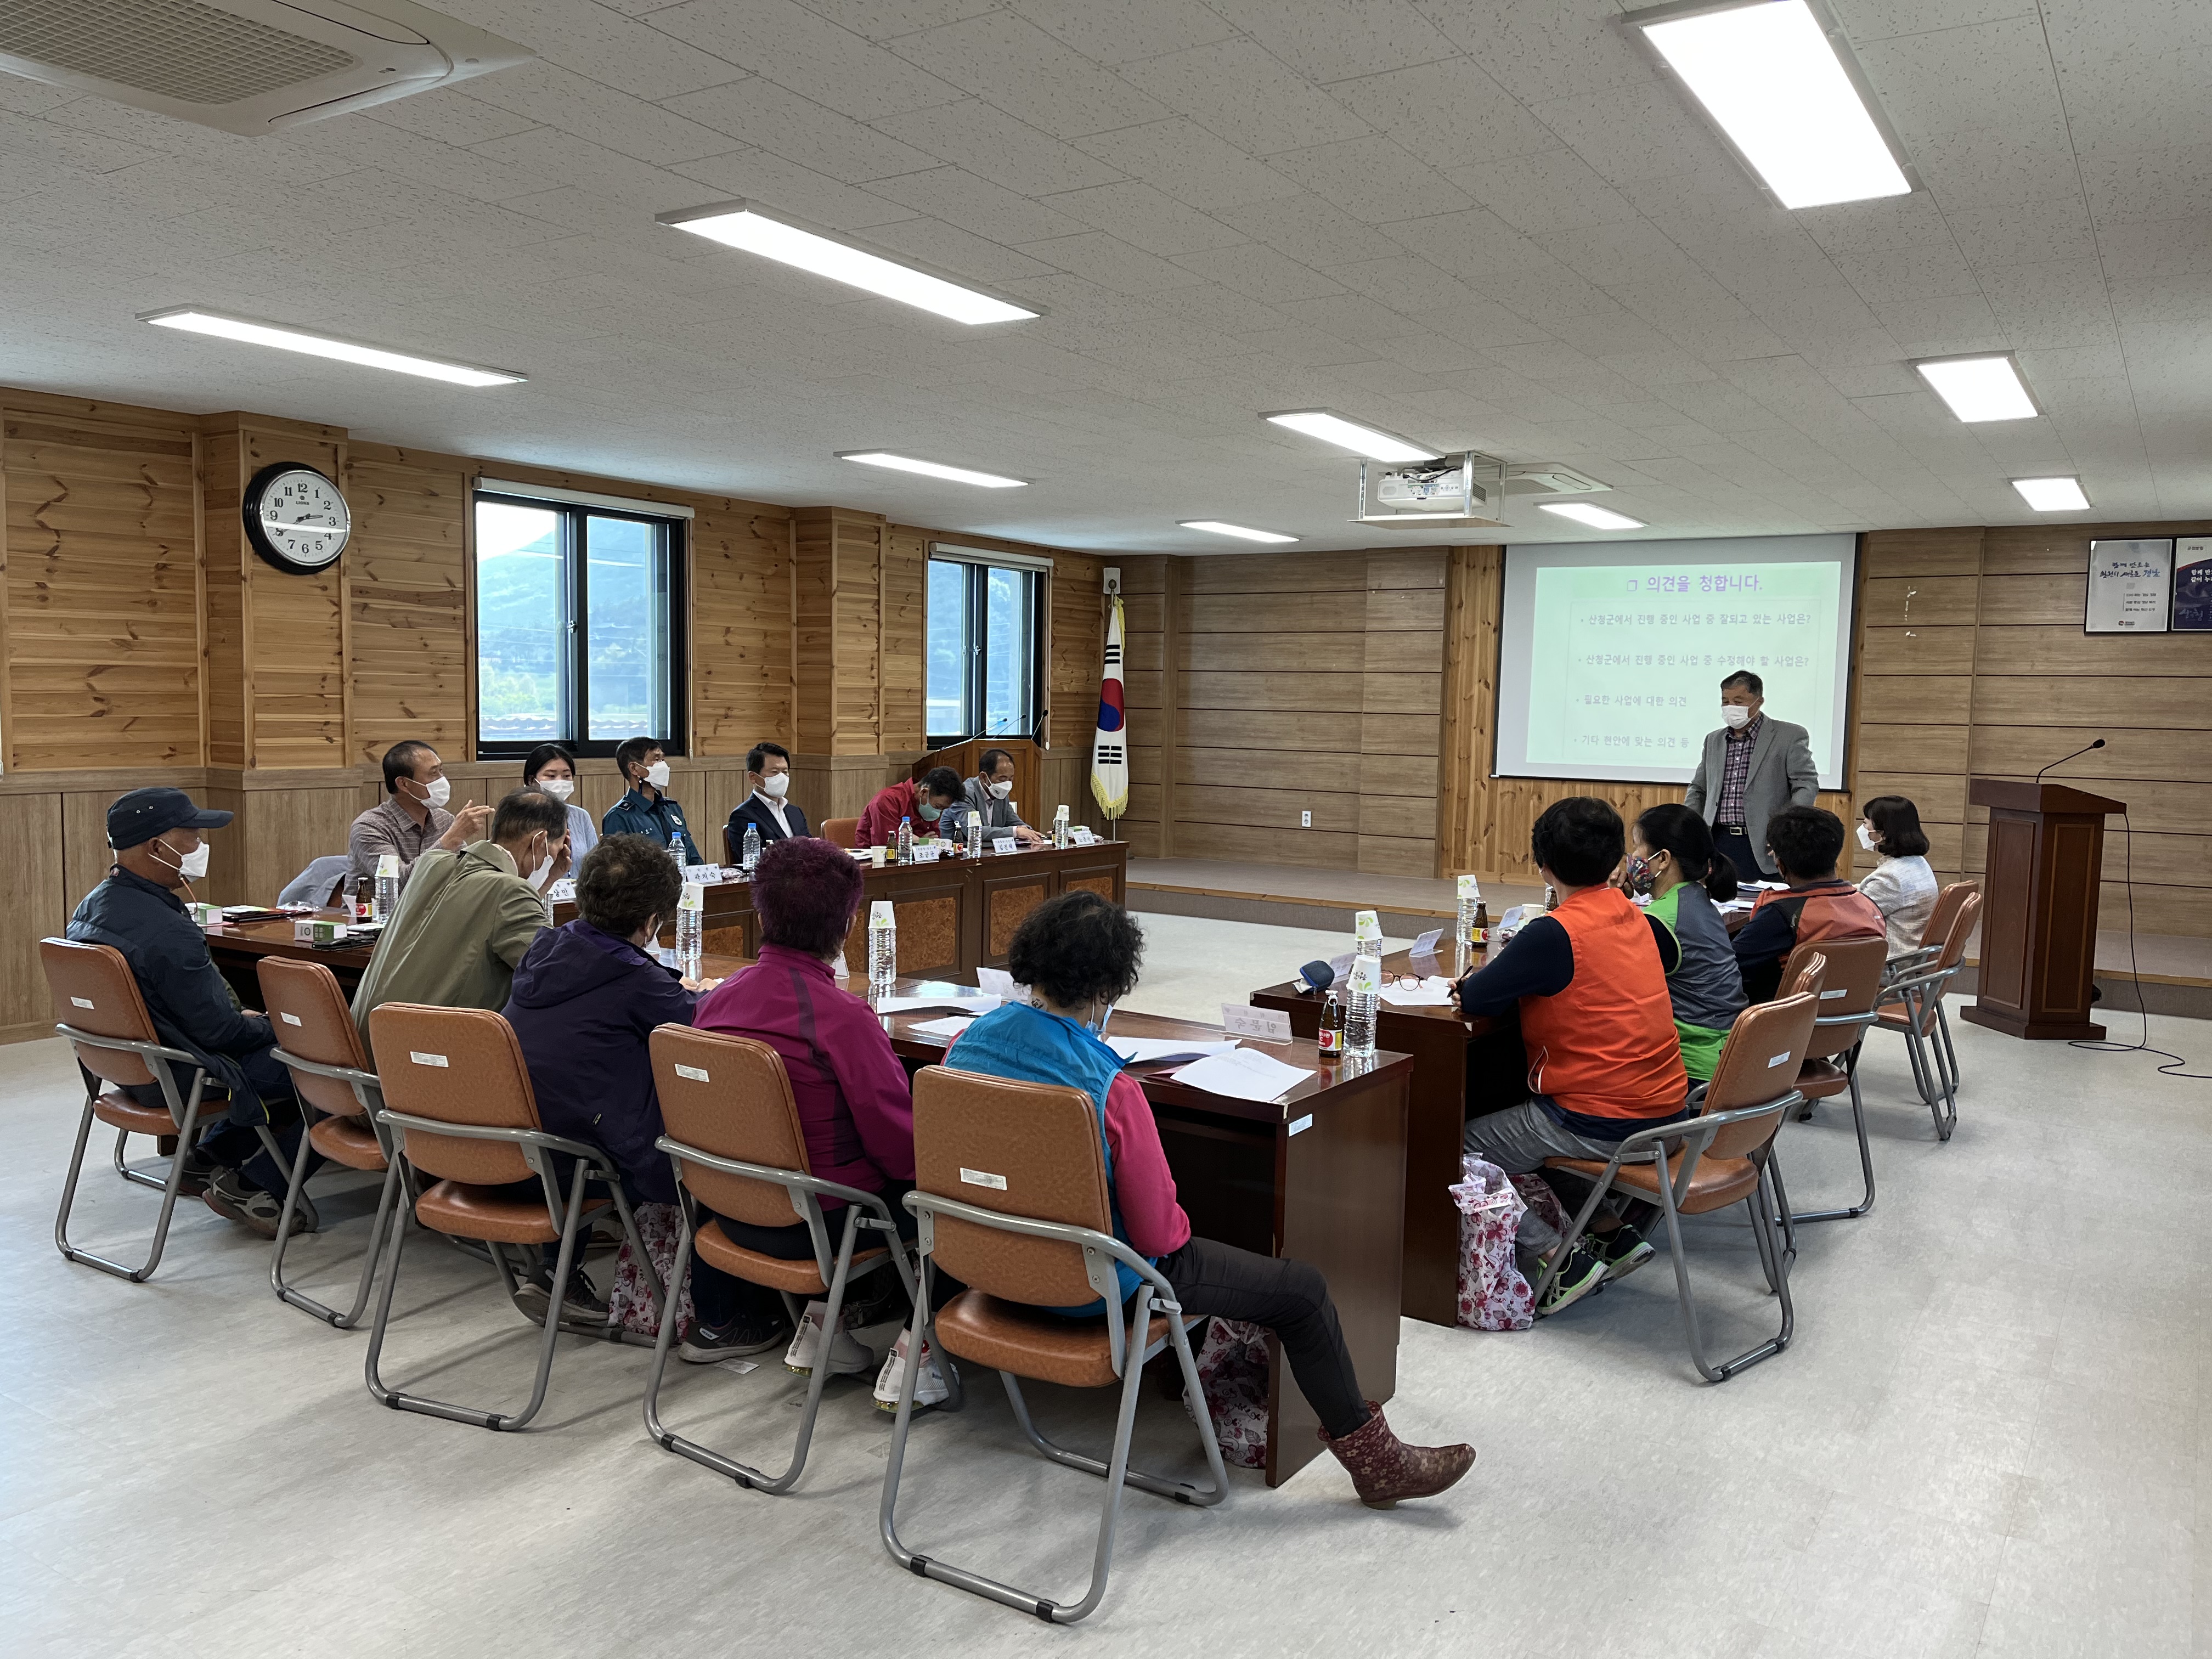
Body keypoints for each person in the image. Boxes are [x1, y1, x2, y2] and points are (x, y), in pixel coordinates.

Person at [946, 889, 1475, 1509]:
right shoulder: (1108, 1086)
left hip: (983, 1268)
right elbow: (1161, 1239)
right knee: (1300, 1291)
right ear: (1108, 989)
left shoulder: (965, 1048)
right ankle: (1375, 1462)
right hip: (1088, 1292)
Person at [689, 838, 929, 1397]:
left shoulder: (716, 1002)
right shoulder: (843, 1017)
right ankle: (921, 1353)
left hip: (724, 1210)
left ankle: (825, 1330)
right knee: (941, 1196)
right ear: (849, 925)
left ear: (759, 914)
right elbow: (903, 1151)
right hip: (816, 1230)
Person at [1455, 797, 1692, 1316]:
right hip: (1671, 1113)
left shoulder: (1555, 932)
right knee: (1538, 1128)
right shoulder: (1636, 915)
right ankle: (1612, 1236)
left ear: (1543, 865)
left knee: (1445, 1148)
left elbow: (1475, 999)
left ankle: (1557, 1260)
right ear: (1615, 863)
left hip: (1604, 1122)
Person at [66, 787, 317, 1238]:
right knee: (330, 1068)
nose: (201, 847)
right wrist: (270, 1024)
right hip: (183, 1075)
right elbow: (221, 1032)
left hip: (129, 1070)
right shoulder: (167, 930)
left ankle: (207, 1157)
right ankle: (256, 1185)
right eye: (192, 836)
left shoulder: (93, 905)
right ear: (157, 847)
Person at [501, 832, 709, 1323]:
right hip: (592, 1153)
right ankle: (724, 1305)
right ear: (652, 922)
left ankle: (555, 1272)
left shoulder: (546, 947)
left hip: (515, 1143)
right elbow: (701, 1022)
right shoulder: (634, 979)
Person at [350, 789, 568, 1066]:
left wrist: (544, 884)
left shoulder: (432, 863)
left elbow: (489, 915)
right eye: (557, 848)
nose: (557, 856)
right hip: (422, 1067)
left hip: (367, 1055)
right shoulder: (508, 891)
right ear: (539, 841)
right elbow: (554, 975)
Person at [1626, 803, 1747, 1086]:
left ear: (1663, 859)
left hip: (1693, 1069)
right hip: (1730, 1052)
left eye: (1636, 847)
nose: (1631, 858)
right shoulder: (1696, 898)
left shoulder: (1661, 920)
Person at [1732, 805, 1887, 1004]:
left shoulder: (1780, 915)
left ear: (1780, 864)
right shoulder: (1868, 906)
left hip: (1782, 1024)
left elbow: (1727, 969)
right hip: (1849, 1025)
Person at [1681, 670, 1819, 885]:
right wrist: (1690, 828)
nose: (1730, 708)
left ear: (1759, 701)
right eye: (1725, 701)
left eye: (1738, 701)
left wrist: (1788, 830)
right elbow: (1699, 788)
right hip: (1719, 841)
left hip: (1767, 843)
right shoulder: (1714, 740)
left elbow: (1805, 784)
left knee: (1769, 907)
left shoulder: (1789, 736)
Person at [348, 740, 492, 890]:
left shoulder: (444, 820)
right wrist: (451, 840)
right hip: (378, 913)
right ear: (404, 784)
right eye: (433, 773)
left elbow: (464, 872)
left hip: (430, 912)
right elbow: (397, 885)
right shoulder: (369, 828)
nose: (442, 780)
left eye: (441, 771)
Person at [1856, 794, 1939, 964]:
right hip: (1913, 957)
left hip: (1891, 964)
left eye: (1866, 822)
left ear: (1883, 832)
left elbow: (1855, 919)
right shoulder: (1917, 862)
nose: (1863, 827)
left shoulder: (1890, 878)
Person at [601, 736, 701, 865]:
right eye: (656, 759)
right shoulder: (619, 817)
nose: (663, 766)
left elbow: (694, 858)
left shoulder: (672, 808)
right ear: (634, 769)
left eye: (663, 759)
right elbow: (619, 870)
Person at [723, 740, 809, 861]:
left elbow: (810, 849)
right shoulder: (743, 815)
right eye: (774, 772)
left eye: (785, 772)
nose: (781, 778)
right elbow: (754, 861)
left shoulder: (796, 812)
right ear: (753, 777)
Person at [521, 742, 597, 867]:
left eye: (567, 775)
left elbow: (594, 863)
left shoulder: (581, 816)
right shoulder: (517, 817)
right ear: (531, 780)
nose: (560, 781)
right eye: (551, 776)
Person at [856, 765, 964, 849]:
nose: (938, 813)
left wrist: (919, 840)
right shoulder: (887, 800)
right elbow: (888, 844)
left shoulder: (929, 808)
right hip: (875, 865)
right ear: (924, 792)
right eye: (938, 807)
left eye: (943, 810)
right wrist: (920, 841)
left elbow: (934, 840)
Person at [957, 747, 1045, 846]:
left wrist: (1029, 832)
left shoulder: (1000, 794)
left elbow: (1016, 823)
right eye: (1002, 779)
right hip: (960, 854)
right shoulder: (965, 793)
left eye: (1010, 779)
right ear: (984, 777)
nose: (1007, 785)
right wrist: (1015, 832)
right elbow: (973, 831)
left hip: (990, 853)